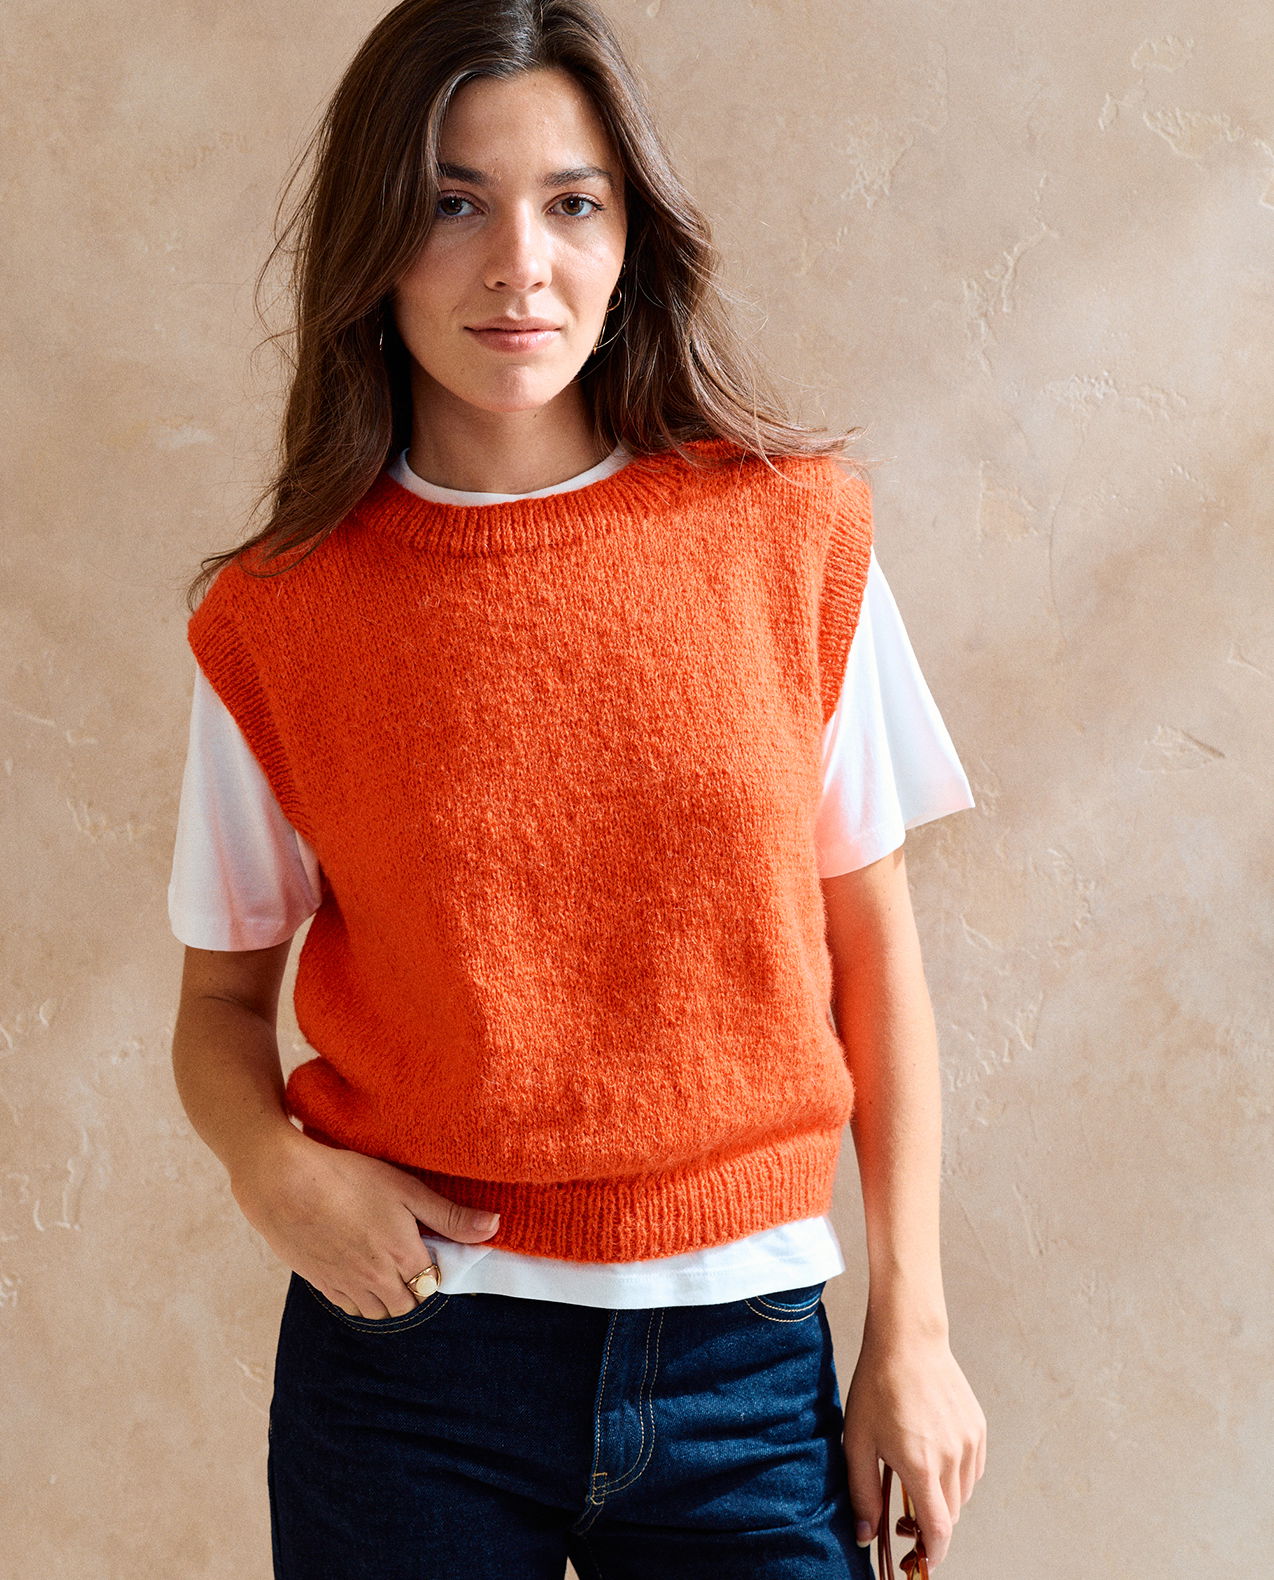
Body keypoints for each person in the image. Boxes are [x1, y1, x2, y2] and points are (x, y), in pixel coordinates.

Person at [168, 2, 987, 1575]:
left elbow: (872, 950)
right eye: (452, 204)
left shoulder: (790, 540)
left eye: (571, 203)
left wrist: (914, 1331)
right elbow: (217, 1006)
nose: (519, 266)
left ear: (630, 239)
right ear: (374, 246)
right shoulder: (275, 619)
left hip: (747, 1362)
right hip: (405, 1364)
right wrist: (272, 1170)